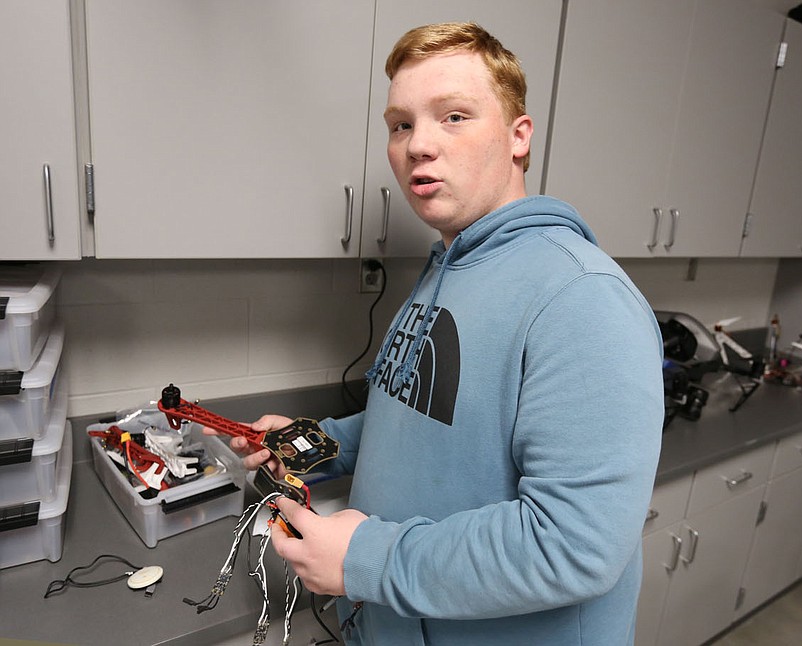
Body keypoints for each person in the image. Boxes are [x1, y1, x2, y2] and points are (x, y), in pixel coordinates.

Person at [223, 22, 664, 645]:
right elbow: (411, 419)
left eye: (453, 116)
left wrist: (365, 559)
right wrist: (311, 442)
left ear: (518, 137)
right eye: (400, 124)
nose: (418, 145)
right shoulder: (448, 269)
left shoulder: (581, 297)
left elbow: (574, 546)